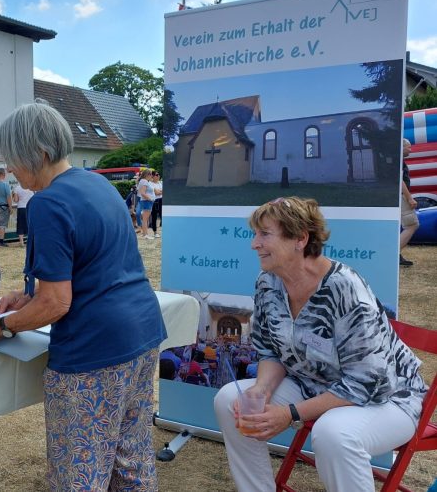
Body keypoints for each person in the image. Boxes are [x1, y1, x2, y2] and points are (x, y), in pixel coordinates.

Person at [0, 102, 166, 491]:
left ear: (38, 153)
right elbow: (94, 266)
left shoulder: (48, 202)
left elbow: (58, 303)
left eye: (15, 161)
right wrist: (27, 299)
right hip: (141, 333)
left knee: (79, 472)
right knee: (132, 460)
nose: (16, 175)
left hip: (95, 351)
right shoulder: (96, 184)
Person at [214, 196, 427, 492]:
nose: (254, 244)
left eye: (265, 234)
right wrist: (261, 390)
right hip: (313, 384)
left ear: (300, 239)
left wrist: (290, 414)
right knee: (231, 401)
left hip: (388, 396)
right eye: (255, 234)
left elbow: (366, 382)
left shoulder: (345, 289)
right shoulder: (268, 282)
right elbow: (269, 350)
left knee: (334, 432)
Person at [399, 138, 418, 266]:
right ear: (402, 147)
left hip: (399, 196)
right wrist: (409, 198)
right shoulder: (399, 161)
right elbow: (400, 181)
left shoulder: (395, 160)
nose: (410, 150)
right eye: (408, 147)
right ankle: (393, 254)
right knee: (412, 225)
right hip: (402, 196)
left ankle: (397, 255)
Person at [11, 182, 35, 246]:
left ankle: (21, 242)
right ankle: (31, 241)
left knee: (20, 225)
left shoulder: (17, 188)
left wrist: (13, 196)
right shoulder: (30, 187)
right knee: (30, 224)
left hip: (21, 208)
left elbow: (16, 200)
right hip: (30, 207)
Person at [136, 169, 156, 240]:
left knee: (145, 219)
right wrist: (150, 199)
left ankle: (145, 234)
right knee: (145, 219)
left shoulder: (143, 181)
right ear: (147, 174)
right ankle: (145, 234)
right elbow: (142, 193)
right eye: (150, 174)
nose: (151, 175)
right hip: (147, 201)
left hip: (146, 201)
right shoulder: (144, 181)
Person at [149, 171, 163, 238]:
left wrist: (159, 191)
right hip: (155, 201)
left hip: (162, 200)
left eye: (159, 174)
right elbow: (157, 193)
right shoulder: (150, 184)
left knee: (163, 216)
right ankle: (155, 232)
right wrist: (160, 191)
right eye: (157, 175)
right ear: (153, 176)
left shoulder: (161, 182)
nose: (158, 176)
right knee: (154, 217)